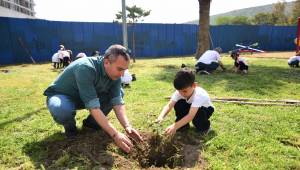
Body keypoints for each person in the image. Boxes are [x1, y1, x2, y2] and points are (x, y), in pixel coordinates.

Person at [44, 44, 143, 153]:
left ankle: (91, 125)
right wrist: (115, 134)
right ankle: (71, 129)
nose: (122, 74)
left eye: (124, 70)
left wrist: (127, 126)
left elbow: (117, 102)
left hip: (86, 97)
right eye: (120, 69)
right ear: (106, 62)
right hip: (63, 95)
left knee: (120, 92)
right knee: (61, 109)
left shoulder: (116, 75)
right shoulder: (85, 67)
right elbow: (94, 107)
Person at [155, 67, 214, 136]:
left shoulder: (199, 95)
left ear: (194, 85)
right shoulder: (180, 92)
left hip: (205, 109)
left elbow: (191, 116)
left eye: (184, 91)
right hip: (191, 107)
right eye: (179, 91)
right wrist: (161, 116)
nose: (181, 94)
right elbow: (169, 105)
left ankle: (205, 128)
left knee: (197, 114)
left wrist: (175, 126)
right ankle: (183, 126)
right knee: (179, 103)